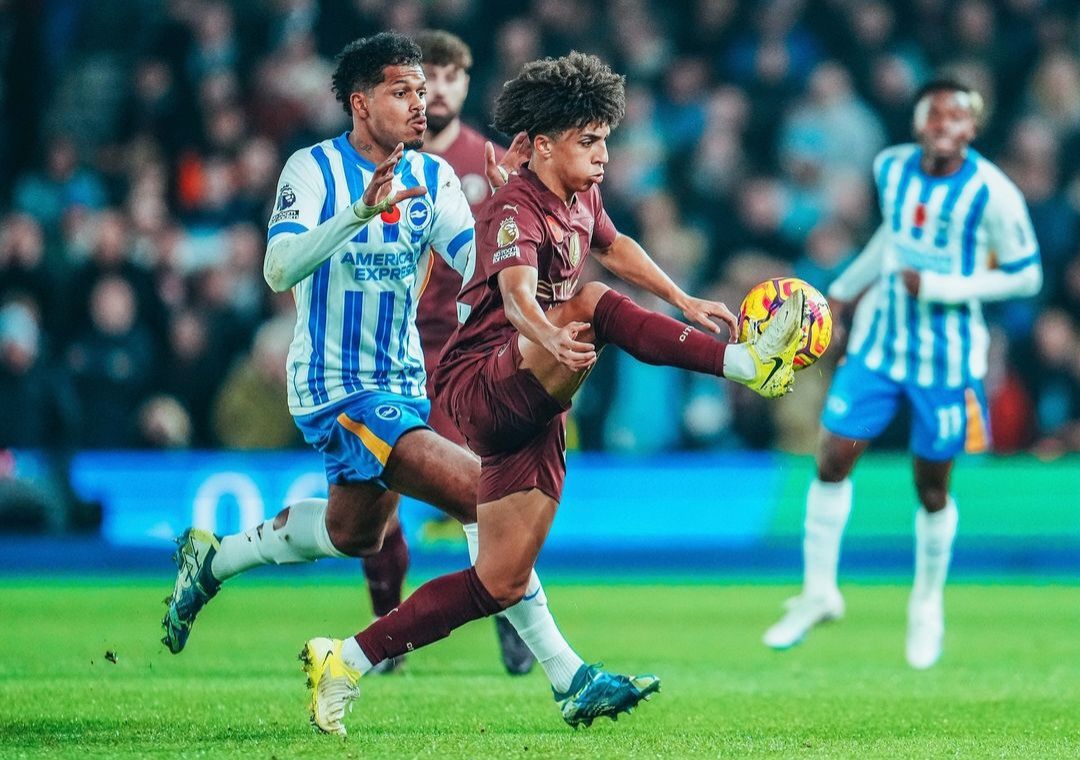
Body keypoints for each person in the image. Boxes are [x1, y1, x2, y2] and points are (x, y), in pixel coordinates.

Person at [297, 51, 805, 735]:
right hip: (482, 378)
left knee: (500, 580)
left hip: (536, 396)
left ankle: (348, 658)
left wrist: (683, 297)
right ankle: (743, 366)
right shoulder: (515, 204)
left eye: (605, 139)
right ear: (540, 146)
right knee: (592, 301)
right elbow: (512, 295)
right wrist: (554, 330)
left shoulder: (580, 196)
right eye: (587, 140)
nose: (602, 154)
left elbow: (617, 245)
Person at [162, 32, 650, 735]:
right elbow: (278, 269)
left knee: (350, 534)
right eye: (402, 91)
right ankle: (570, 677)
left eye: (424, 92)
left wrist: (520, 215)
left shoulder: (433, 179)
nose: (420, 104)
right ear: (361, 103)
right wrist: (357, 213)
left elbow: (471, 260)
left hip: (403, 385)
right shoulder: (312, 169)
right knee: (483, 495)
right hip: (337, 388)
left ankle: (215, 557)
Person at [762, 80, 1042, 668]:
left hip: (949, 360)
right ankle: (819, 593)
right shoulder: (890, 168)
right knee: (832, 456)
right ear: (918, 124)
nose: (944, 123)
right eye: (934, 113)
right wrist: (839, 293)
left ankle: (926, 605)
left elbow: (1026, 275)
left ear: (971, 129)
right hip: (879, 348)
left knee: (931, 487)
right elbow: (892, 240)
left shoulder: (993, 193)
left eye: (956, 116)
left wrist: (944, 286)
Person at [357, 28, 534, 677]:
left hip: (466, 349)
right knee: (375, 492)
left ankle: (516, 613)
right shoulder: (375, 165)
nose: (439, 87)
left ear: (464, 85)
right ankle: (387, 625)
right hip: (382, 347)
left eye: (452, 74)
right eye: (425, 75)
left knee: (481, 488)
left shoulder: (488, 164)